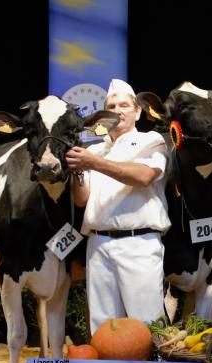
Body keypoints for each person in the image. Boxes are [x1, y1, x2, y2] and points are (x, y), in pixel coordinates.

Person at [66, 78, 170, 333]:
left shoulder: (152, 140)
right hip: (98, 245)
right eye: (111, 106)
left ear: (137, 112)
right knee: (103, 330)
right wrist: (78, 171)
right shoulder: (95, 150)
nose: (118, 110)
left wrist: (93, 163)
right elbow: (81, 199)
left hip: (139, 244)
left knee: (147, 327)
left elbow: (144, 177)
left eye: (124, 105)